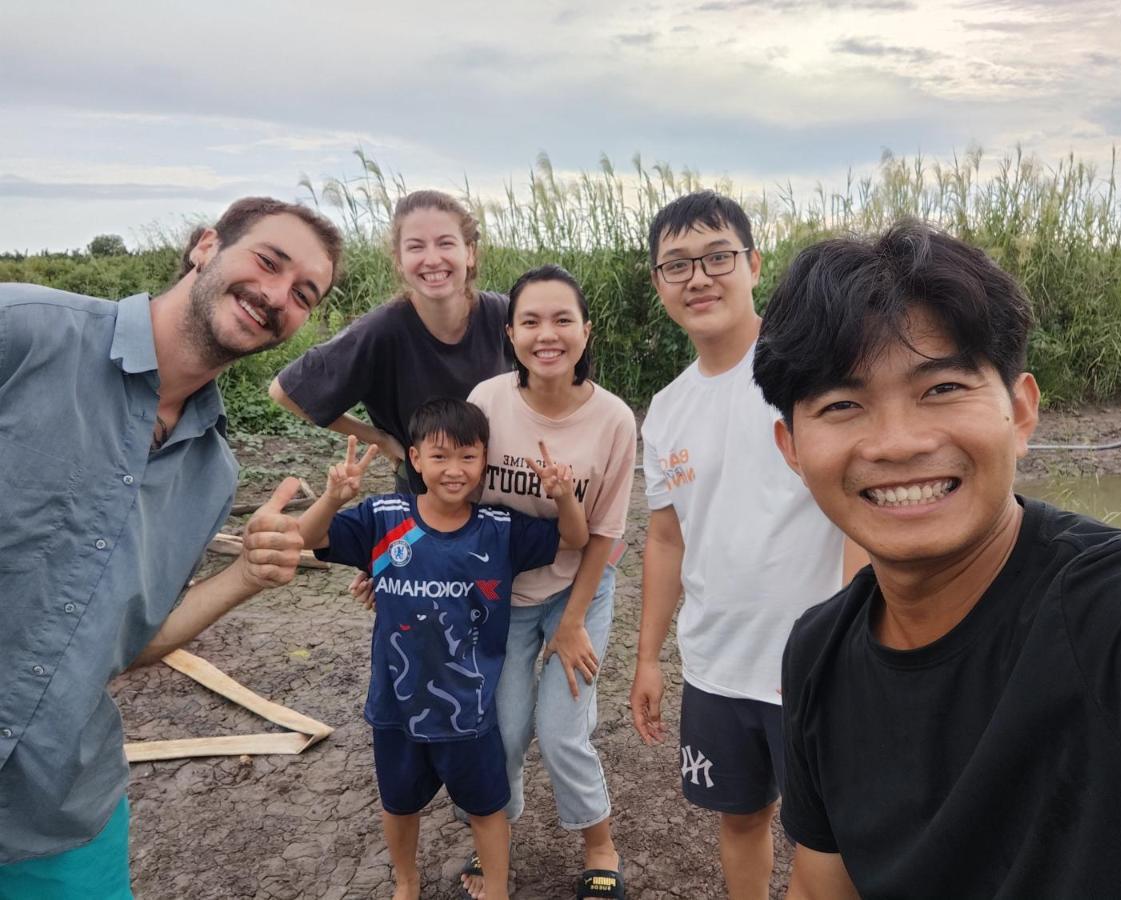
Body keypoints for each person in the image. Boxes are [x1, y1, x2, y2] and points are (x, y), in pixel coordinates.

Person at [752, 219, 1121, 898]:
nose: (897, 444)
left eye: (942, 389)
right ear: (791, 448)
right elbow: (821, 886)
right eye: (843, 404)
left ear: (1020, 413)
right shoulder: (818, 655)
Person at [0, 197, 343, 899]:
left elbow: (135, 645)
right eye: (268, 261)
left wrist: (247, 574)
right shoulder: (24, 333)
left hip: (61, 813)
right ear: (206, 246)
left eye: (302, 294)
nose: (276, 296)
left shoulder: (212, 474)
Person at [629, 191, 867, 900]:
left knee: (831, 833)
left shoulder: (807, 373)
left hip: (813, 663)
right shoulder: (667, 410)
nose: (698, 277)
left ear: (753, 263)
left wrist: (849, 640)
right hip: (714, 666)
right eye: (677, 265)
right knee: (739, 818)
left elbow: (857, 509)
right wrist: (648, 657)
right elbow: (666, 540)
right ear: (658, 284)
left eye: (717, 257)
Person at [296, 399, 588, 900]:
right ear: (414, 458)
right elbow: (309, 536)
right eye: (440, 457)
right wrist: (333, 498)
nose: (454, 471)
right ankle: (406, 882)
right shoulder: (384, 520)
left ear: (485, 462)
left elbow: (574, 538)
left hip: (469, 712)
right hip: (396, 706)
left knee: (486, 806)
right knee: (399, 803)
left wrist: (563, 497)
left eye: (468, 458)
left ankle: (495, 887)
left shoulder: (500, 530)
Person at [463, 265, 637, 900]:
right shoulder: (487, 402)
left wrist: (571, 622)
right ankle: (492, 842)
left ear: (586, 331)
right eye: (531, 321)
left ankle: (600, 844)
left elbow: (605, 536)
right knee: (503, 728)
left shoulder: (615, 421)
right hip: (500, 598)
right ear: (510, 333)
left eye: (563, 319)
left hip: (577, 592)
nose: (548, 334)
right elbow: (454, 502)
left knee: (563, 731)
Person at [269, 189, 511, 492]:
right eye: (416, 247)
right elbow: (285, 391)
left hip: (499, 491)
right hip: (424, 500)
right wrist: (380, 438)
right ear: (399, 260)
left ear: (470, 252)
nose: (432, 259)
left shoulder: (503, 314)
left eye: (446, 243)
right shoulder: (382, 330)